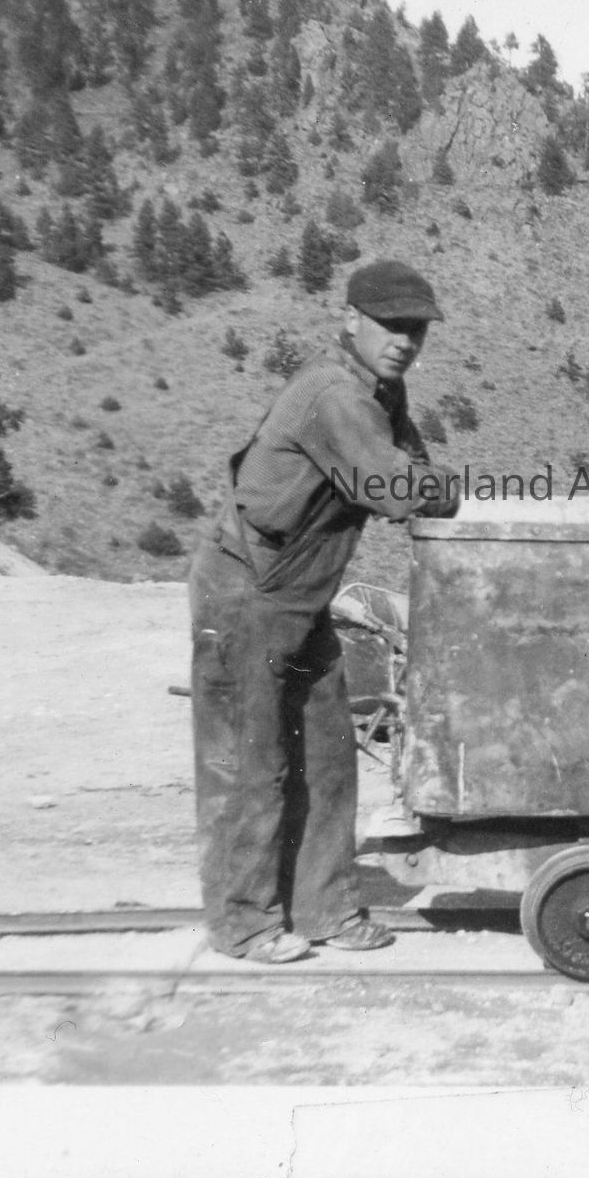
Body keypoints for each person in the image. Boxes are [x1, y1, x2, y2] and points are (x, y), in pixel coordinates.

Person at [188, 259, 461, 963]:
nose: (404, 341)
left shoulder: (380, 392)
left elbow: (411, 464)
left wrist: (429, 480)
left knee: (329, 755)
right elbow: (398, 487)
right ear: (351, 320)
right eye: (390, 325)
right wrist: (443, 488)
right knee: (253, 761)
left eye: (415, 329)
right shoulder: (336, 395)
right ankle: (243, 923)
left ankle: (323, 909)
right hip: (250, 591)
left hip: (300, 593)